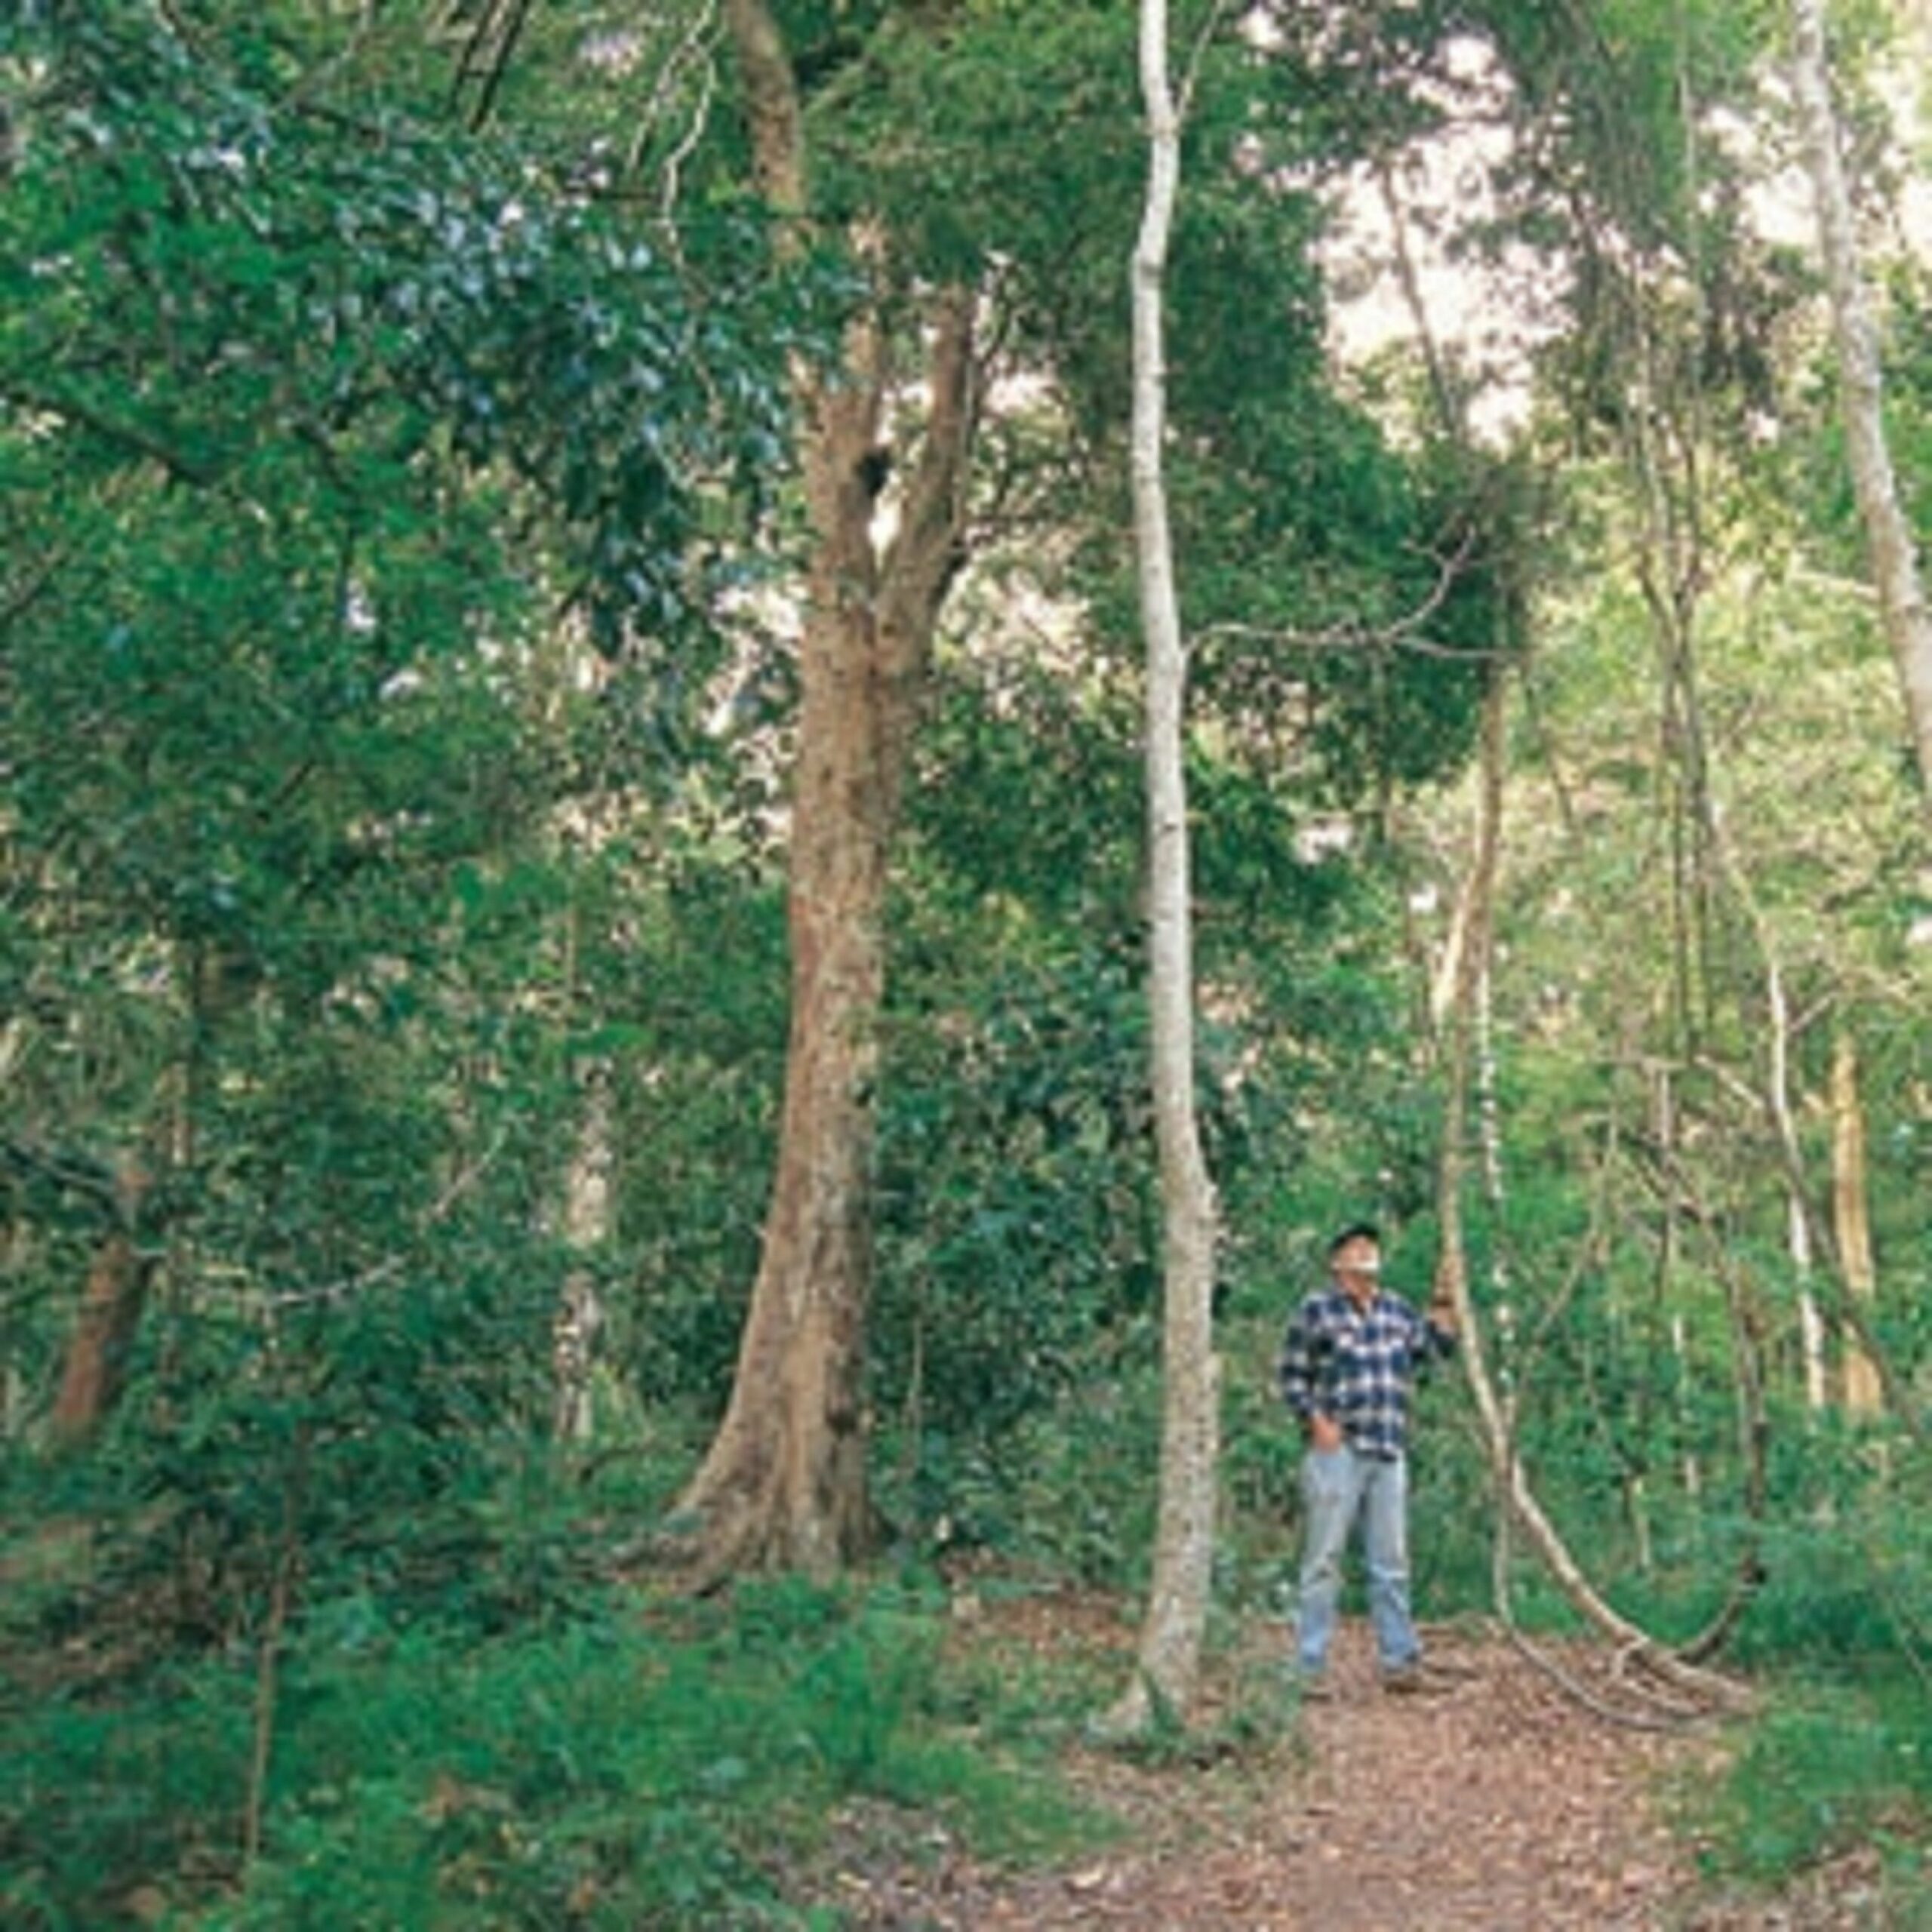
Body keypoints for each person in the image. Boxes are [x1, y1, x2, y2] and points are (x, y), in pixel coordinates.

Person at [1278, 1220, 1457, 1694]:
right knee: (1323, 1560)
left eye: (1370, 1248)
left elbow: (1435, 1352)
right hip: (1338, 1451)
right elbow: (1292, 1376)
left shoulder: (1395, 1310)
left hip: (1388, 1449)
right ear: (1337, 1263)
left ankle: (1399, 1662)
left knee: (1391, 1560)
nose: (1364, 1254)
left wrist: (1444, 1301)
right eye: (1354, 1248)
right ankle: (1308, 1666)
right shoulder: (1316, 1310)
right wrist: (1316, 1422)